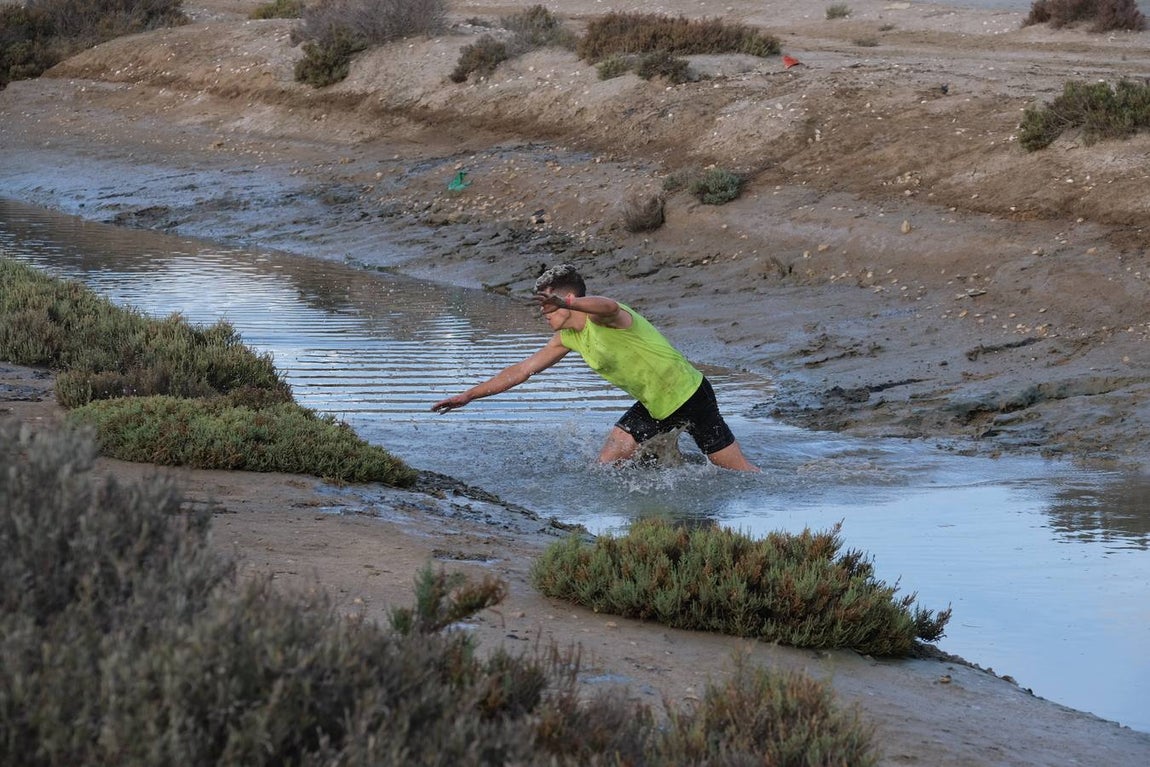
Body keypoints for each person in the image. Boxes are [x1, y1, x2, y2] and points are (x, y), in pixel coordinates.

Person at [431, 264, 759, 472]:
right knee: (606, 464)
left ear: (568, 299)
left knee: (740, 473)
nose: (544, 312)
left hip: (690, 396)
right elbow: (521, 370)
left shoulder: (604, 318)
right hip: (655, 405)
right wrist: (468, 395)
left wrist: (569, 304)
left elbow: (610, 305)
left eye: (548, 304)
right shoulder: (567, 338)